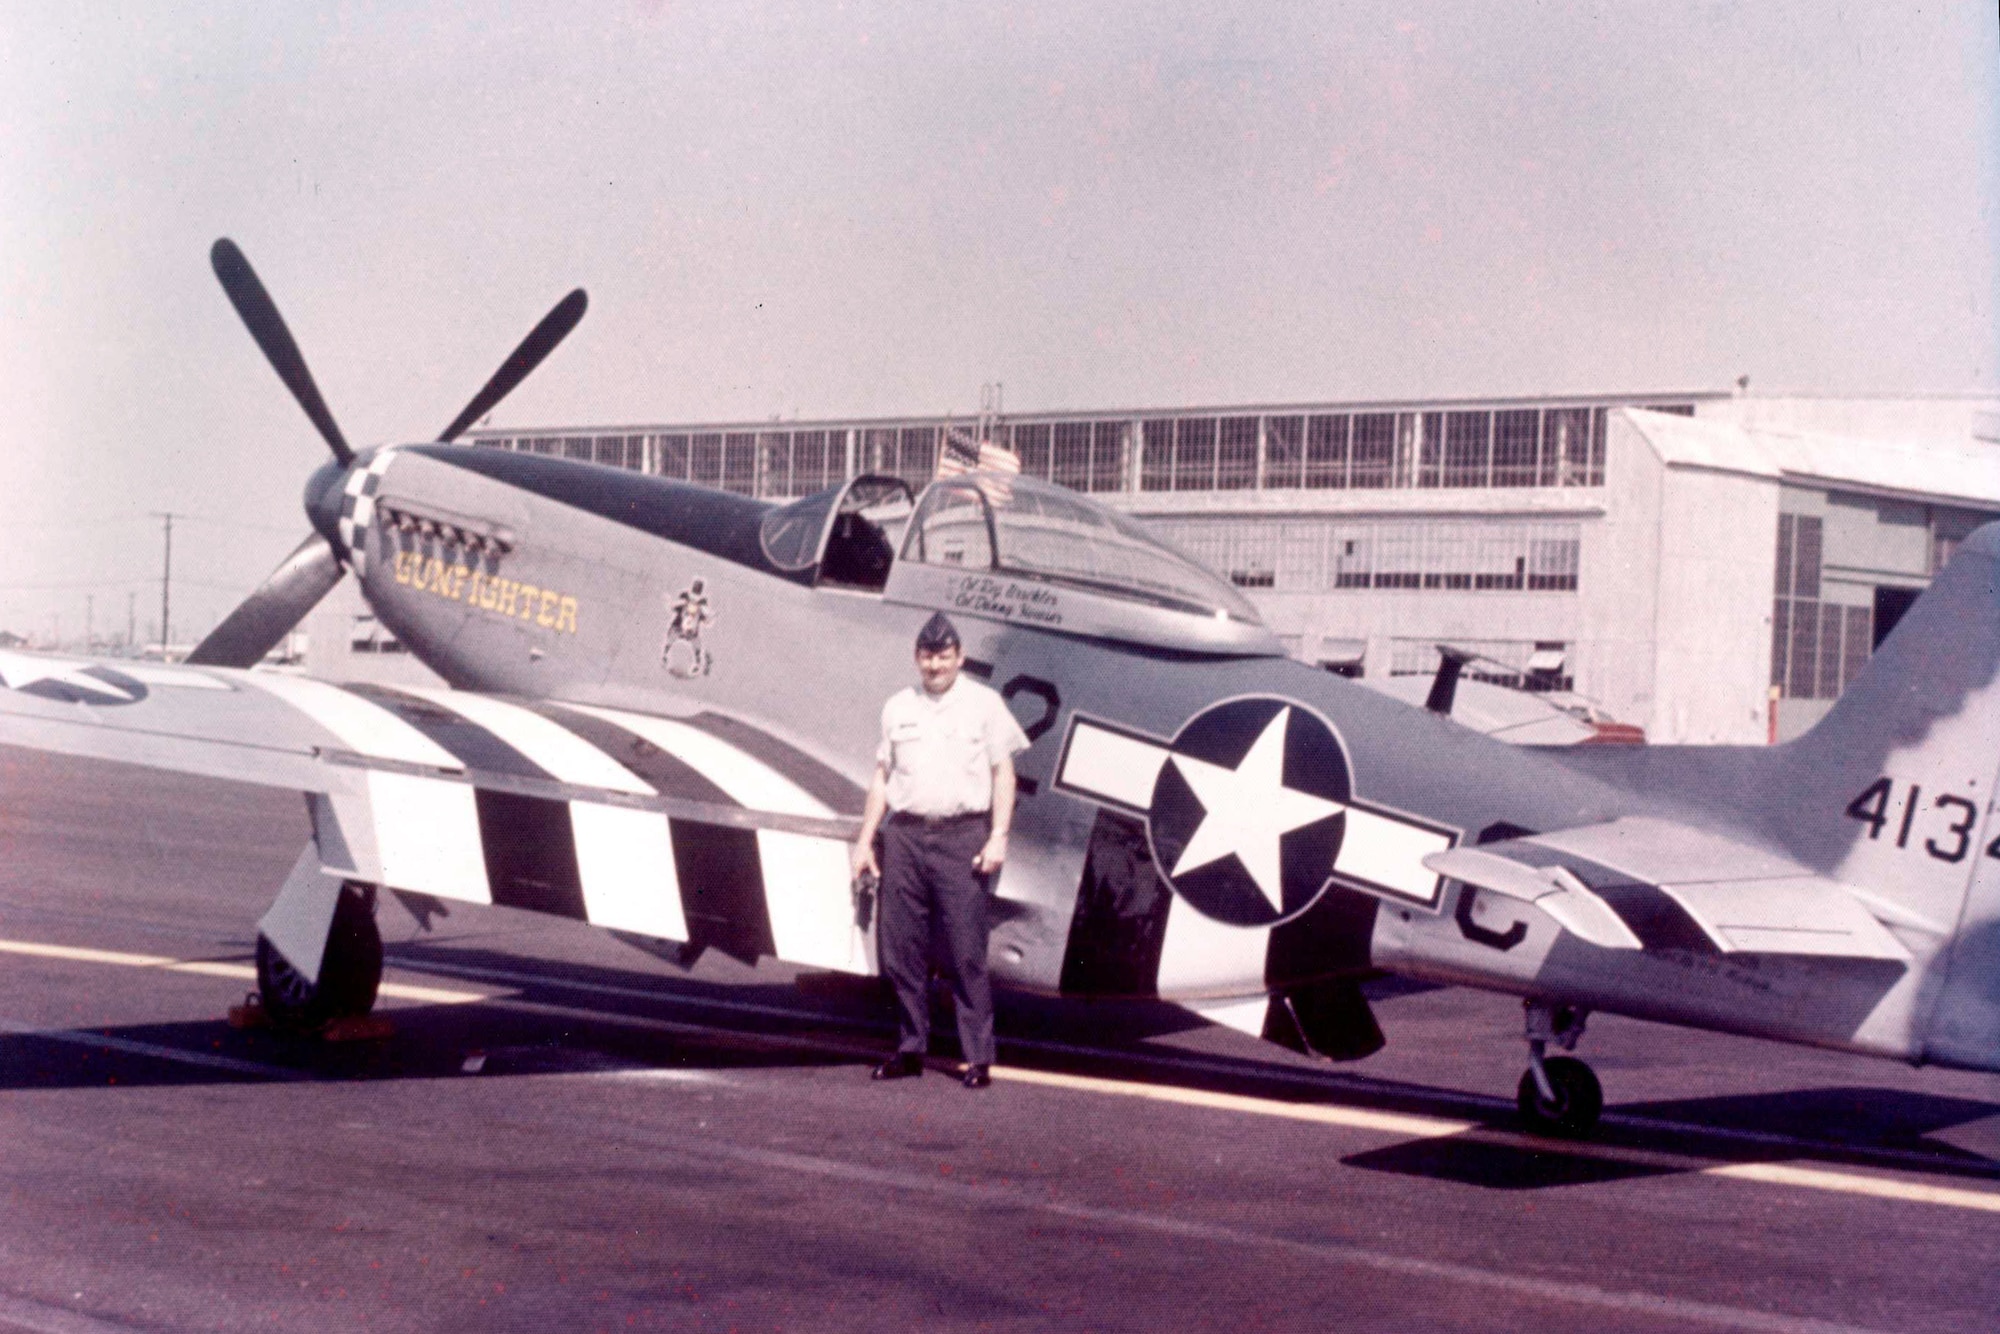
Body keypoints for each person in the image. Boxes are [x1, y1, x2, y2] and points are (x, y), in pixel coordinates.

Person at [851, 612, 1029, 1089]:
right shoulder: (897, 707)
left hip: (962, 836)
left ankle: (977, 1057)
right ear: (917, 657)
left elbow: (1003, 774)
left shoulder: (984, 704)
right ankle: (910, 1048)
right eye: (927, 656)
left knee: (965, 949)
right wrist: (866, 838)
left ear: (960, 657)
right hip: (905, 836)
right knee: (901, 949)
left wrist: (999, 835)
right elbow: (882, 778)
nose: (935, 666)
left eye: (944, 656)